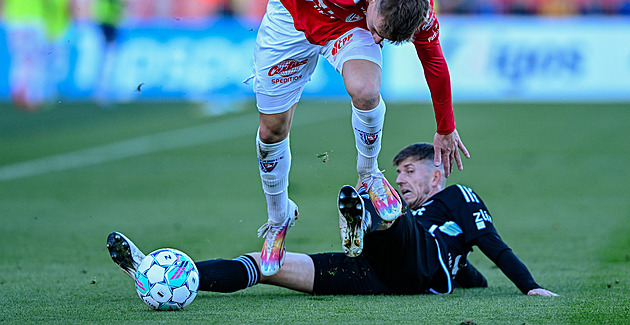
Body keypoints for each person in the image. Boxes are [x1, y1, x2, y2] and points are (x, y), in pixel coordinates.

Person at [148, 0, 470, 276]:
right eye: (380, 30)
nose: (378, 38)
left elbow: (435, 63)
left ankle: (369, 174)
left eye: (385, 37)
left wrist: (445, 127)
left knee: (365, 90)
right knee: (272, 131)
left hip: (349, 28)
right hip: (293, 19)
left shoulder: (414, 9)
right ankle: (278, 218)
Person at [107, 142, 556, 297]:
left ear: (436, 173)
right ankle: (156, 274)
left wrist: (529, 285)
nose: (403, 177)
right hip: (370, 271)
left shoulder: (456, 196)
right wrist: (471, 281)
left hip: (420, 267)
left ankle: (367, 215)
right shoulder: (413, 209)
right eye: (398, 172)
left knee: (398, 218)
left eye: (409, 171)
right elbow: (472, 277)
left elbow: (492, 244)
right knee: (267, 264)